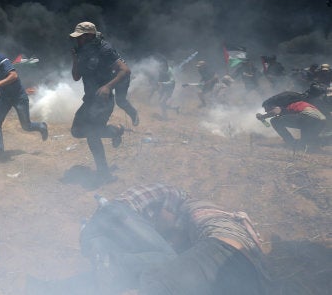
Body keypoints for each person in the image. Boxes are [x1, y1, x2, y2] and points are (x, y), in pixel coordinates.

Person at [138, 197, 269, 295]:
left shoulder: (186, 207)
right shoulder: (219, 218)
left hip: (220, 252)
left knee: (154, 281)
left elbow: (171, 237)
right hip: (250, 274)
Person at [80, 184, 189, 293]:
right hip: (120, 213)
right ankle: (113, 263)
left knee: (136, 266)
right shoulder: (176, 193)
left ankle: (103, 253)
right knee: (172, 259)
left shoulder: (154, 201)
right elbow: (165, 220)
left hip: (100, 223)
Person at [69, 22, 126, 184]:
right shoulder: (83, 51)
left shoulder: (105, 49)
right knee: (77, 131)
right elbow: (76, 77)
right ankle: (114, 131)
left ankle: (104, 174)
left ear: (88, 36)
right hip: (89, 100)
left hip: (102, 101)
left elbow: (125, 70)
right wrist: (75, 59)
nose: (77, 41)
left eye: (79, 37)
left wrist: (108, 86)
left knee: (92, 134)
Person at [0, 41, 48, 158]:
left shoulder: (1, 59)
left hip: (19, 97)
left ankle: (41, 126)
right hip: (4, 98)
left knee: (26, 126)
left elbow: (13, 75)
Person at [256, 93, 326, 151]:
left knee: (275, 121)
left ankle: (292, 143)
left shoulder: (284, 106)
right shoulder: (297, 104)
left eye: (266, 108)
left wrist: (263, 117)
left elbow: (276, 111)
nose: (265, 111)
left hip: (308, 117)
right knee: (303, 143)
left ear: (272, 105)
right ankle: (311, 145)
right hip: (321, 121)